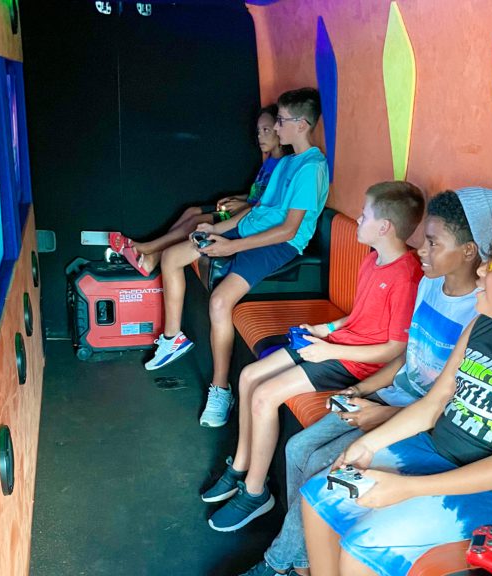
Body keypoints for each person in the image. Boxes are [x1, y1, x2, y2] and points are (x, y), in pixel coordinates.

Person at [239, 187, 492, 576]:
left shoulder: (481, 312)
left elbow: (448, 406)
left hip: (412, 417)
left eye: (433, 242)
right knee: (298, 447)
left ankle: (279, 562)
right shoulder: (429, 283)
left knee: (323, 462)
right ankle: (303, 559)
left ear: (471, 251)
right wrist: (361, 391)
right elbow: (407, 357)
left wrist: (380, 412)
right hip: (390, 395)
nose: (420, 249)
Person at [300, 218, 492, 576]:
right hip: (435, 451)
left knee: (363, 549)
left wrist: (407, 489)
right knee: (318, 499)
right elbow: (433, 404)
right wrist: (369, 444)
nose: (482, 273)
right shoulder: (483, 323)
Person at [203, 181, 425, 532]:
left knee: (264, 396)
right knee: (248, 377)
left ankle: (256, 491)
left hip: (358, 361)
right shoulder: (372, 260)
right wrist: (325, 329)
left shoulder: (408, 274)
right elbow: (357, 317)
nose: (359, 218)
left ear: (384, 227)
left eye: (364, 214)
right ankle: (240, 466)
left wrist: (330, 349)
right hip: (337, 344)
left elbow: (395, 349)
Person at [143, 87, 329, 426]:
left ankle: (220, 389)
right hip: (248, 231)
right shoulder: (286, 161)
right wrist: (221, 232)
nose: (276, 128)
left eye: (282, 122)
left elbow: (288, 230)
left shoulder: (311, 168)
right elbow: (257, 209)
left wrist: (229, 247)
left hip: (276, 245)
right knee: (173, 256)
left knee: (219, 302)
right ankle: (172, 339)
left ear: (301, 125)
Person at [109, 104, 291, 275]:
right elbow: (258, 191)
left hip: (247, 214)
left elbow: (268, 202)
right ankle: (153, 255)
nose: (260, 136)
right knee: (191, 211)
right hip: (243, 206)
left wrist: (243, 203)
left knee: (195, 222)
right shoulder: (268, 161)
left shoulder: (284, 165)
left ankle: (147, 250)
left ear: (278, 130)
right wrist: (239, 196)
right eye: (258, 131)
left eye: (266, 130)